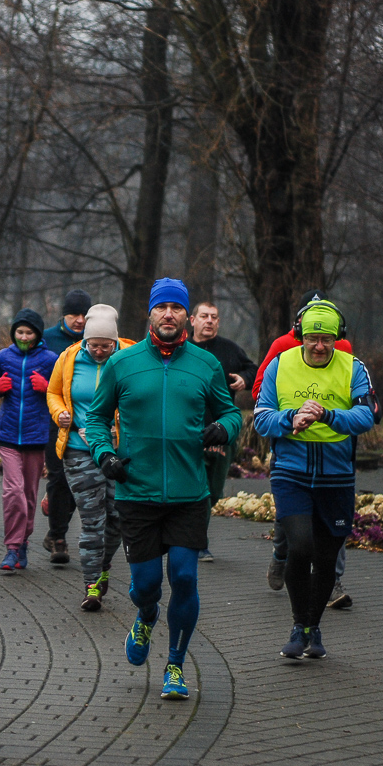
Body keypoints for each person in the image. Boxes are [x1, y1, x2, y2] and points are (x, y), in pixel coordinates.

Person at [83, 278, 241, 700]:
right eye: (161, 307)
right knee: (145, 586)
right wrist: (104, 455)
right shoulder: (122, 362)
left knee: (186, 578)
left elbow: (232, 413)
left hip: (190, 494)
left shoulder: (205, 364)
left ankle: (175, 663)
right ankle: (147, 614)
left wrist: (223, 428)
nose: (168, 314)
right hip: (137, 492)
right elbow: (95, 420)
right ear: (149, 314)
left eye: (176, 307)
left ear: (186, 315)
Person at [253, 300, 375, 659]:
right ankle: (297, 624)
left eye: (326, 339)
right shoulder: (280, 365)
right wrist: (291, 418)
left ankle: (313, 627)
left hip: (336, 477)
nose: (319, 346)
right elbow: (261, 418)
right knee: (300, 546)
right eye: (312, 339)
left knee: (325, 559)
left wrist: (328, 415)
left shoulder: (354, 367)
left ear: (337, 338)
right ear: (300, 337)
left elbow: (367, 416)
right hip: (291, 472)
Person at [47, 304, 136, 611]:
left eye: (106, 346)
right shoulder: (69, 357)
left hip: (117, 452)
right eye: (93, 345)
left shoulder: (131, 356)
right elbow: (53, 392)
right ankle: (91, 583)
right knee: (92, 519)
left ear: (116, 342)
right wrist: (61, 413)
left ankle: (104, 566)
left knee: (116, 517)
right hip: (78, 449)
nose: (99, 351)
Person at [0, 308, 58, 572]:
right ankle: (11, 548)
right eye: (19, 331)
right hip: (7, 435)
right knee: (13, 492)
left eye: (29, 332)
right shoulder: (3, 356)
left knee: (29, 495)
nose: (24, 336)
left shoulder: (50, 359)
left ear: (37, 334)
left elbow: (61, 390)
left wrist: (47, 387)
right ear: (13, 332)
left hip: (35, 436)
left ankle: (23, 542)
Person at [190, 301, 257, 562]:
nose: (209, 321)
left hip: (222, 432)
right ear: (192, 320)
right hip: (191, 430)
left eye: (214, 317)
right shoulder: (183, 350)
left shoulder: (228, 349)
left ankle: (195, 538)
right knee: (198, 489)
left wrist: (244, 379)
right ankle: (198, 542)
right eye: (204, 316)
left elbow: (251, 367)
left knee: (214, 491)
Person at [40, 289, 92, 564]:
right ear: (64, 314)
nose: (80, 320)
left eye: (85, 315)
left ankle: (56, 528)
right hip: (54, 419)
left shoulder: (96, 341)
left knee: (77, 480)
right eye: (74, 314)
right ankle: (58, 538)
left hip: (86, 422)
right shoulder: (48, 339)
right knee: (59, 477)